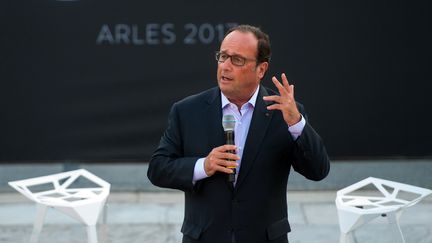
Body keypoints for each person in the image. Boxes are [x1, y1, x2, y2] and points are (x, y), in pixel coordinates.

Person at [147, 24, 330, 243]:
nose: (225, 66)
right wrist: (203, 166)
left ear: (261, 69)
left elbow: (318, 170)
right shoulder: (187, 111)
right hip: (205, 237)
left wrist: (297, 124)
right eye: (222, 56)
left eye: (237, 60)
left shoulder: (285, 113)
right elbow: (158, 169)